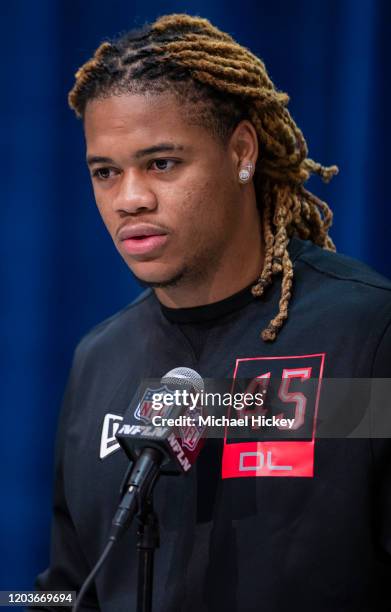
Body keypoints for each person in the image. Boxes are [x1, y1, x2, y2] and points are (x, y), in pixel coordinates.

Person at [32, 13, 391, 612]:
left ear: (241, 153)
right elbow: (66, 591)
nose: (130, 199)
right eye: (105, 172)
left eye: (162, 164)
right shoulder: (99, 360)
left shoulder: (367, 334)